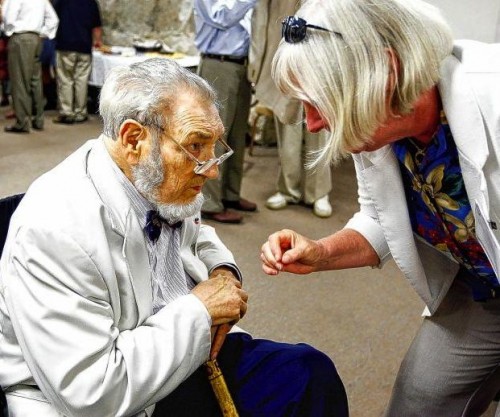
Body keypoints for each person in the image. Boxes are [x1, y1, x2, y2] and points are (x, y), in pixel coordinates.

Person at [0, 58, 348, 417]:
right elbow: (94, 394)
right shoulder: (55, 228)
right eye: (196, 146)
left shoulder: (151, 174)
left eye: (214, 146)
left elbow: (196, 234)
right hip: (111, 393)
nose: (212, 170)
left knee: (308, 373)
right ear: (134, 139)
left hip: (178, 349)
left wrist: (223, 273)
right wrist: (200, 310)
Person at [260, 0, 500, 415]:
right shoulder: (378, 122)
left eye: (319, 102)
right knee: (420, 398)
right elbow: (380, 217)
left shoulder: (491, 93)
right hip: (482, 286)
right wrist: (321, 253)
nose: (313, 123)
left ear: (386, 72)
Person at [248, 0, 333, 218]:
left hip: (320, 62)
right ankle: (288, 189)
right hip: (285, 59)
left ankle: (318, 192)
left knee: (321, 132)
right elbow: (261, 19)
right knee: (287, 128)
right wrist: (257, 64)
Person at [193, 0, 258, 224]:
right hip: (218, 64)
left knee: (237, 134)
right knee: (215, 136)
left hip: (241, 66)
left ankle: (230, 194)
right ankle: (210, 202)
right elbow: (221, 18)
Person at [1, 0, 58, 133]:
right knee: (35, 80)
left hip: (20, 37)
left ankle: (22, 121)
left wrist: (9, 30)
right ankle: (38, 119)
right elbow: (53, 19)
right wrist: (43, 33)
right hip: (36, 38)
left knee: (20, 81)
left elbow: (9, 17)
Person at [52, 0, 102, 125]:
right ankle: (80, 112)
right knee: (82, 80)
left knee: (65, 79)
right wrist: (97, 41)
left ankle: (67, 112)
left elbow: (52, 19)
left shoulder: (61, 2)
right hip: (84, 46)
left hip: (65, 44)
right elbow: (96, 26)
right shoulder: (91, 3)